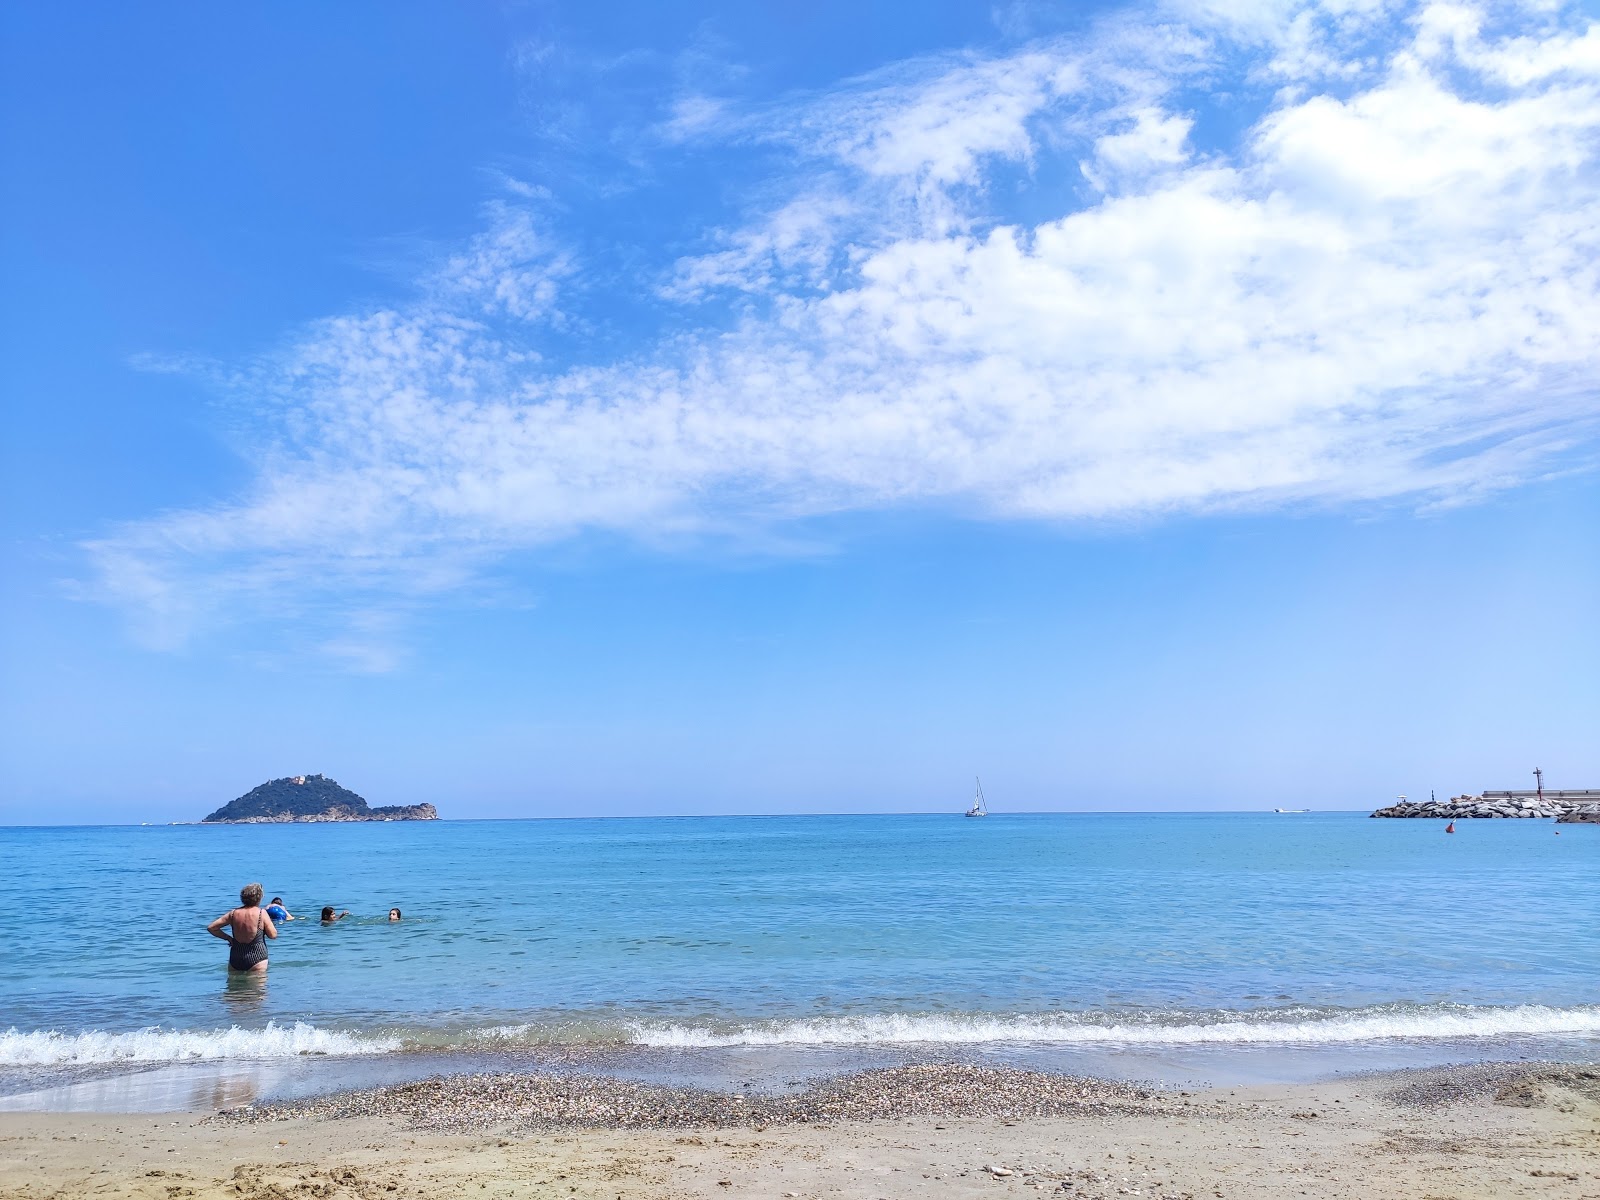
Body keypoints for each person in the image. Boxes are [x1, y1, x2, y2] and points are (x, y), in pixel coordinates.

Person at [207, 882, 277, 973]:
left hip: (236, 957)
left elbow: (212, 928)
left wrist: (228, 938)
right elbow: (273, 935)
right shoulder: (261, 913)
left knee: (234, 986)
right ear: (259, 898)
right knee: (257, 987)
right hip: (257, 957)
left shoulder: (233, 913)